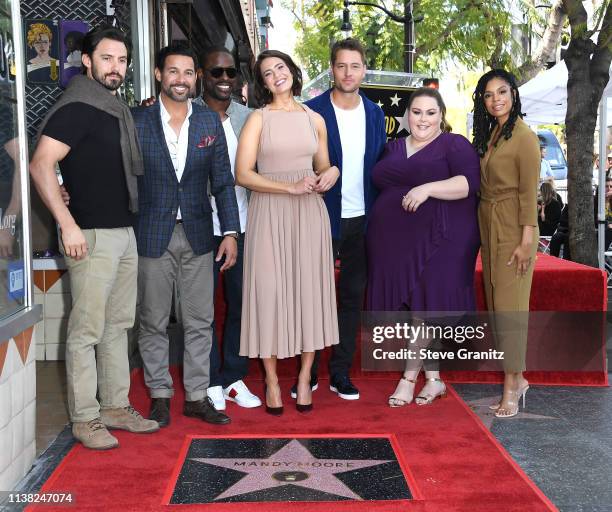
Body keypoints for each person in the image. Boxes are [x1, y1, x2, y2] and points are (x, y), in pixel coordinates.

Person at [29, 25, 159, 450]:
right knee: (87, 330)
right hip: (89, 234)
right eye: (107, 58)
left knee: (118, 327)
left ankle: (116, 407)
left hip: (122, 229)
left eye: (122, 60)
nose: (116, 68)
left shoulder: (112, 108)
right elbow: (41, 164)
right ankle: (86, 418)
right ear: (87, 60)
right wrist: (66, 224)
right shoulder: (79, 105)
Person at [132, 44, 240, 427]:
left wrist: (230, 232)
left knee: (200, 320)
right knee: (153, 321)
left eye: (188, 72)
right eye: (173, 71)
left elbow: (224, 183)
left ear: (196, 78)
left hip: (198, 233)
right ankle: (160, 395)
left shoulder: (210, 122)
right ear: (160, 75)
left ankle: (196, 397)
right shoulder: (136, 120)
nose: (181, 79)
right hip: (150, 234)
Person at [236, 50, 340, 414]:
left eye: (280, 67)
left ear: (293, 72)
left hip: (309, 215)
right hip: (269, 211)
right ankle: (271, 379)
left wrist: (332, 174)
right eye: (267, 72)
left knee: (308, 293)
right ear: (262, 83)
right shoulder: (257, 119)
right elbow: (243, 174)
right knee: (269, 293)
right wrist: (288, 188)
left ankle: (304, 376)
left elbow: (324, 165)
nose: (276, 75)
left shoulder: (316, 119)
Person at [366, 87, 480, 406]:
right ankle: (434, 380)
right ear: (406, 115)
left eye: (431, 112)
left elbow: (469, 184)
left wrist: (427, 188)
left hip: (442, 240)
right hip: (399, 245)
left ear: (441, 116)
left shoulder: (453, 144)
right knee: (423, 309)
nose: (423, 119)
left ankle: (407, 379)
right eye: (416, 112)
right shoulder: (392, 148)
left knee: (425, 310)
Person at [304, 38, 386, 400]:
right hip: (321, 217)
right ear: (332, 68)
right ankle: (306, 373)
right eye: (341, 66)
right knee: (313, 298)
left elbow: (380, 168)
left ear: (363, 69)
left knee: (351, 298)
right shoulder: (311, 111)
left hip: (363, 221)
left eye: (355, 66)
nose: (348, 72)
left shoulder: (375, 113)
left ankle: (340, 371)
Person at [194, 46, 261, 411]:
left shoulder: (249, 118)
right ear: (202, 74)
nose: (224, 79)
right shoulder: (187, 115)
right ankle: (209, 380)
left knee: (241, 306)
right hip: (200, 227)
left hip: (244, 226)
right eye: (216, 72)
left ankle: (234, 377)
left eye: (230, 73)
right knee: (202, 308)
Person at [472, 69, 540, 419]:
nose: (495, 98)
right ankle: (519, 376)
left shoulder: (525, 137)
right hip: (490, 221)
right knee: (498, 307)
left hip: (514, 225)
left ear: (513, 94)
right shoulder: (494, 132)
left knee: (511, 310)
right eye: (488, 94)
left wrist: (527, 241)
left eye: (502, 91)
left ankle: (512, 384)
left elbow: (530, 193)